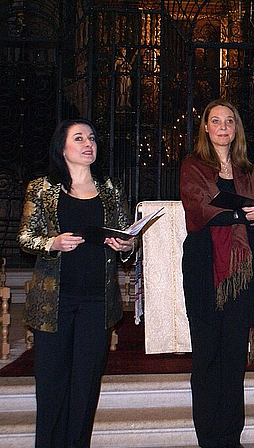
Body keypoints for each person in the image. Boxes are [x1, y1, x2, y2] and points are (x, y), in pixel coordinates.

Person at [18, 118, 134, 448]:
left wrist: (125, 245)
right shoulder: (41, 188)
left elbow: (126, 235)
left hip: (97, 301)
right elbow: (26, 237)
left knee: (86, 385)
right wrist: (51, 243)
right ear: (62, 148)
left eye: (92, 138)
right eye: (79, 138)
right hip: (54, 301)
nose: (88, 143)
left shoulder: (110, 189)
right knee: (51, 384)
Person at [180, 99, 254, 448]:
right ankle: (209, 437)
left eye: (229, 121)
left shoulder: (246, 170)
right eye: (215, 121)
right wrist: (241, 216)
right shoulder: (193, 166)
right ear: (205, 127)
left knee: (233, 359)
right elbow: (202, 210)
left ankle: (231, 437)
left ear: (236, 128)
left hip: (243, 271)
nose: (222, 127)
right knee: (207, 357)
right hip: (205, 267)